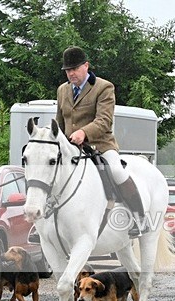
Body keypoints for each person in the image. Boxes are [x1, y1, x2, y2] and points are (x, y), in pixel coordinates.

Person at [56, 46, 146, 238]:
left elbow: (104, 120)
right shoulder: (62, 90)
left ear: (86, 66)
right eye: (68, 70)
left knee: (117, 171)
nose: (71, 73)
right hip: (72, 148)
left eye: (75, 69)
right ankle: (43, 222)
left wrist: (84, 132)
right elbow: (60, 122)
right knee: (50, 171)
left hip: (100, 145)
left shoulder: (104, 87)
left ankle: (138, 218)